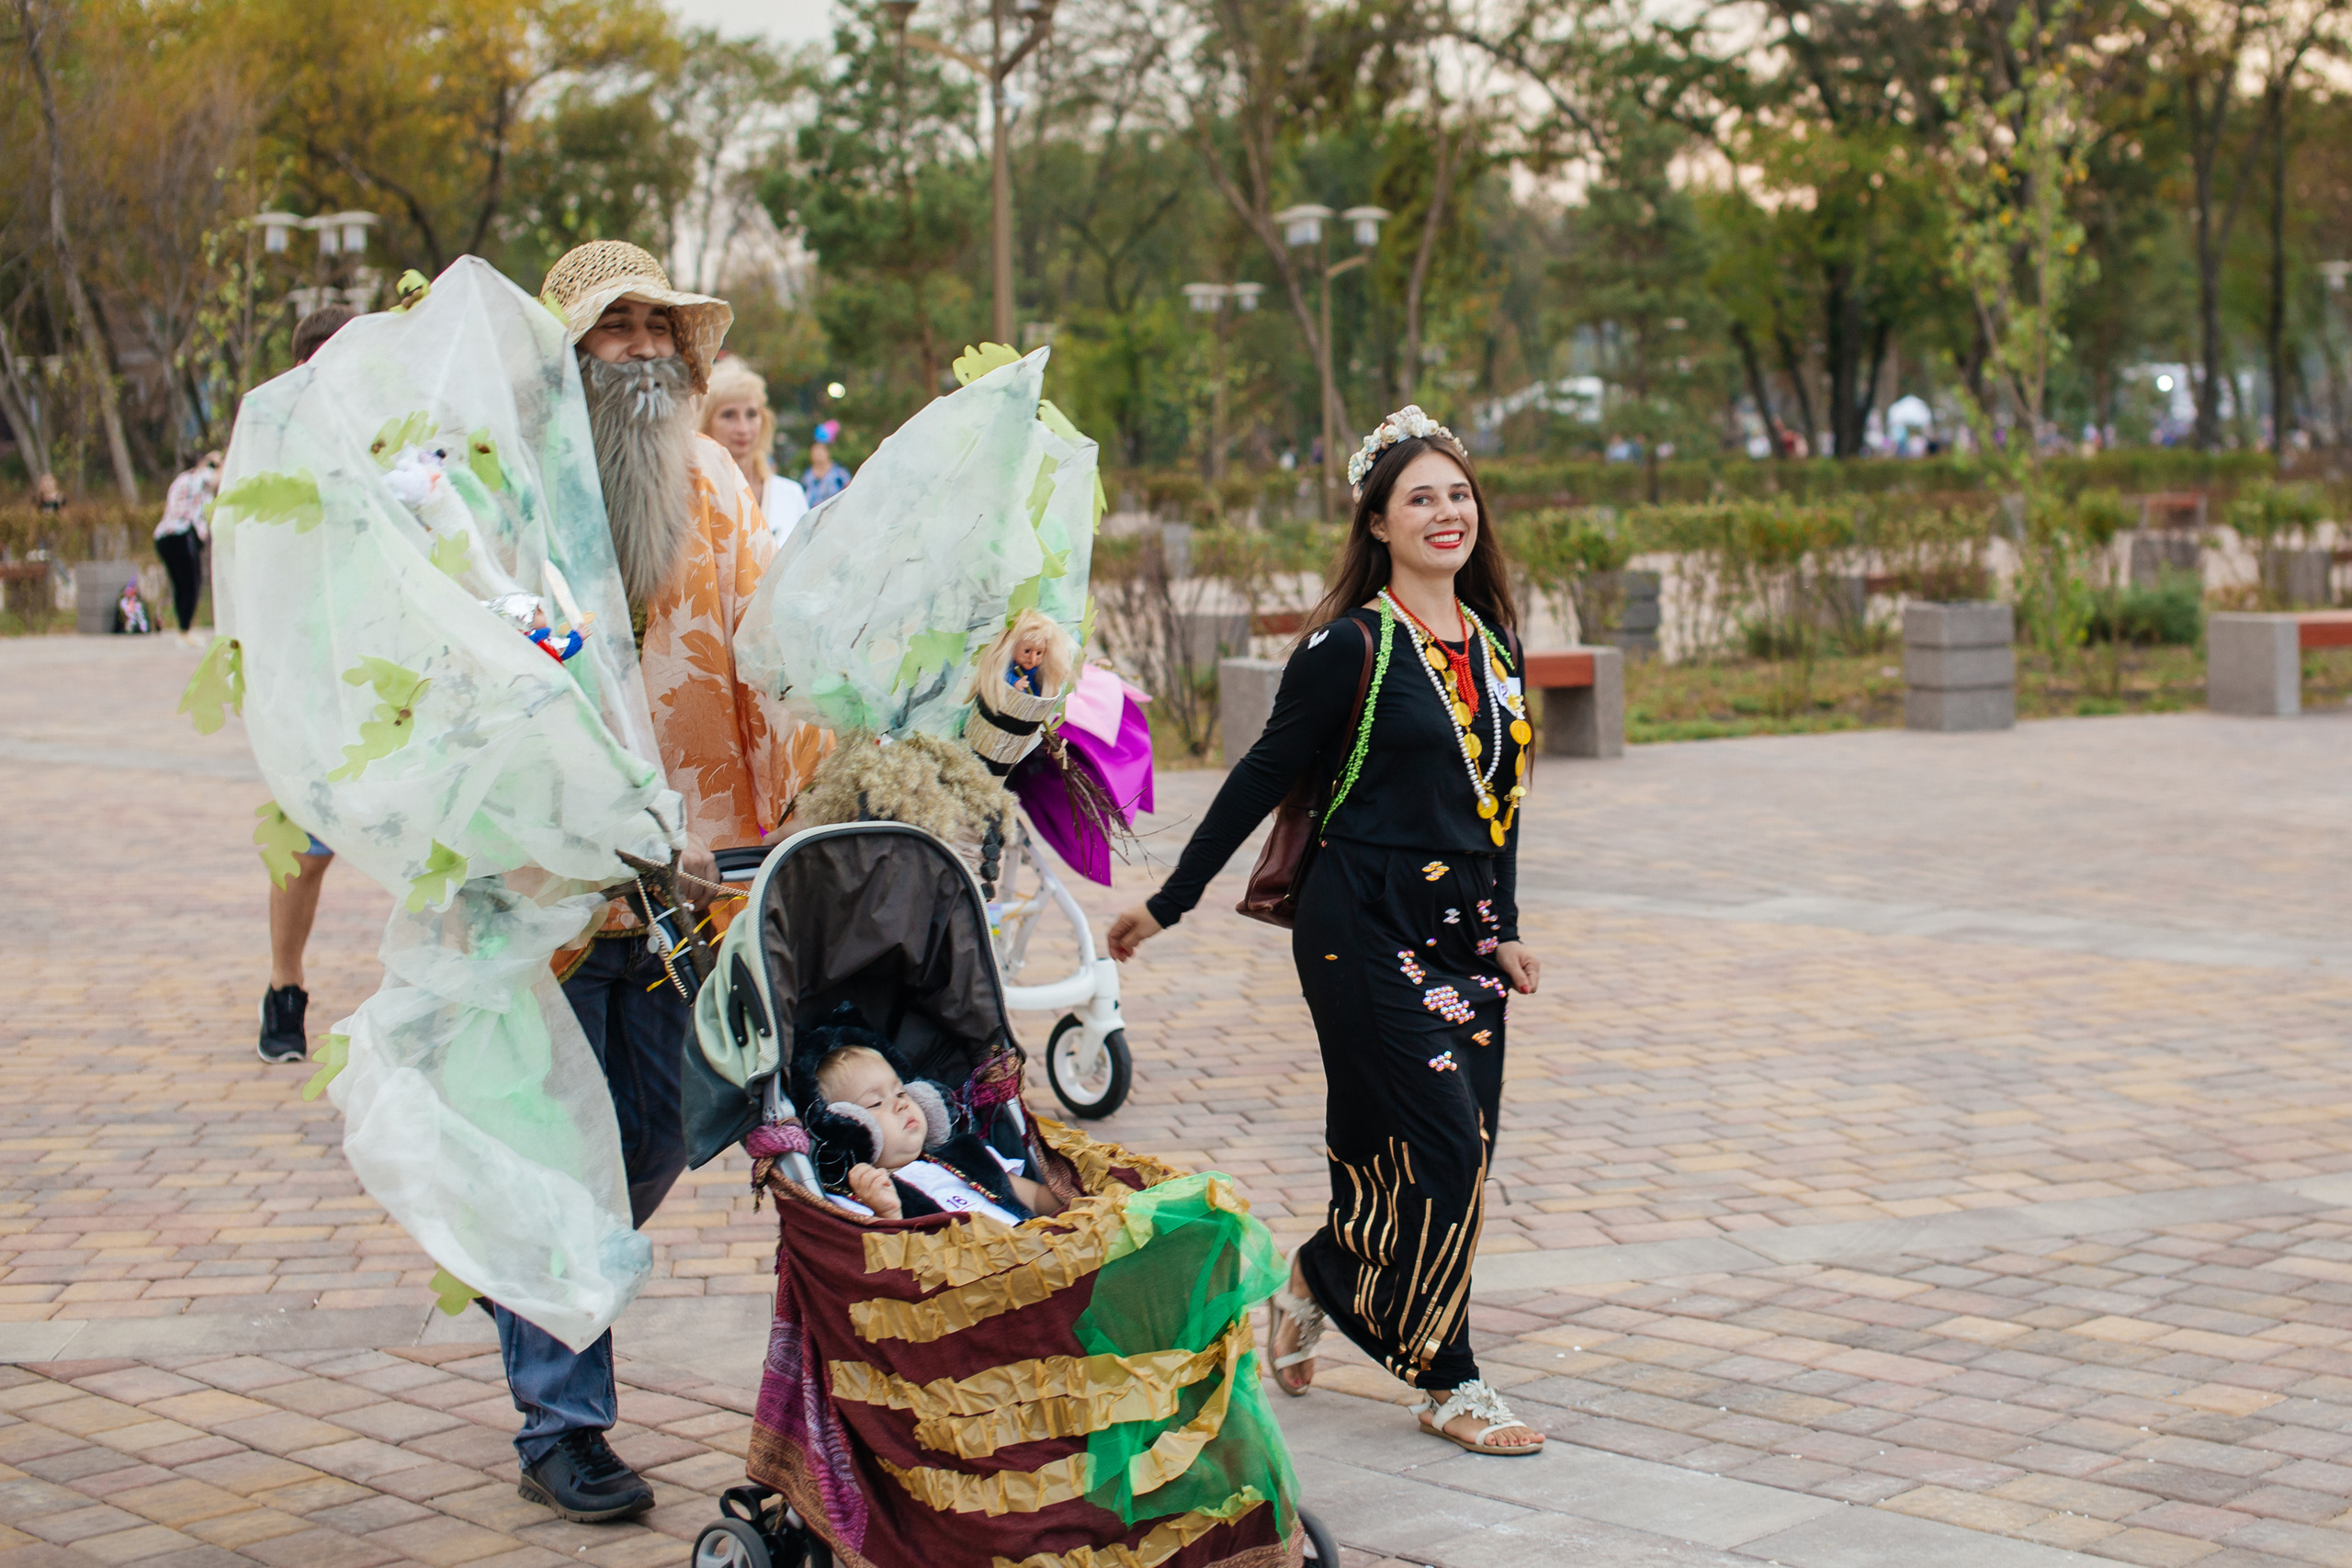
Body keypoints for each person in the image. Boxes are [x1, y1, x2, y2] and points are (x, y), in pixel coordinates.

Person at [1105, 405, 1547, 1459]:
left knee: (1455, 1152)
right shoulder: (1348, 647)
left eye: (1457, 493)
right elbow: (1261, 776)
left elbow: (1502, 802)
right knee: (1442, 1143)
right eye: (1419, 498)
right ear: (1378, 524)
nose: (1445, 512)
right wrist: (1170, 902)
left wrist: (1504, 928)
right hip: (1361, 925)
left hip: (1460, 933)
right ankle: (1447, 1379)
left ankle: (1319, 1273)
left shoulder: (1496, 649)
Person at [499, 239, 797, 1526]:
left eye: (654, 328)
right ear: (567, 353)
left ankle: (538, 1263)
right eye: (611, 327)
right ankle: (561, 1421)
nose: (635, 348)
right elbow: (486, 667)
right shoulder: (509, 491)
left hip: (697, 883)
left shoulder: (717, 483)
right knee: (563, 1150)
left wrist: (795, 806)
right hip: (551, 884)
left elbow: (762, 655)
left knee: (672, 1124)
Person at [257, 303, 362, 1066]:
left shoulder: (400, 441)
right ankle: (284, 987)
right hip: (311, 675)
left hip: (395, 671)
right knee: (307, 843)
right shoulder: (273, 448)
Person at [698, 356, 808, 547]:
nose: (743, 428)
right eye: (729, 415)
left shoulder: (791, 495)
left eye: (751, 414)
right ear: (707, 423)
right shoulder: (695, 500)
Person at [152, 452, 220, 644]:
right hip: (182, 534)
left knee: (181, 586)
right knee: (191, 584)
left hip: (163, 536)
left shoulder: (180, 480)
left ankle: (183, 630)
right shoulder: (200, 477)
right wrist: (218, 461)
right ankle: (184, 632)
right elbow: (217, 478)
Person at [801, 435, 850, 504]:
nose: (818, 454)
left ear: (828, 452)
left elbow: (849, 492)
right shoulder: (807, 475)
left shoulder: (840, 473)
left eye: (821, 451)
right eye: (815, 451)